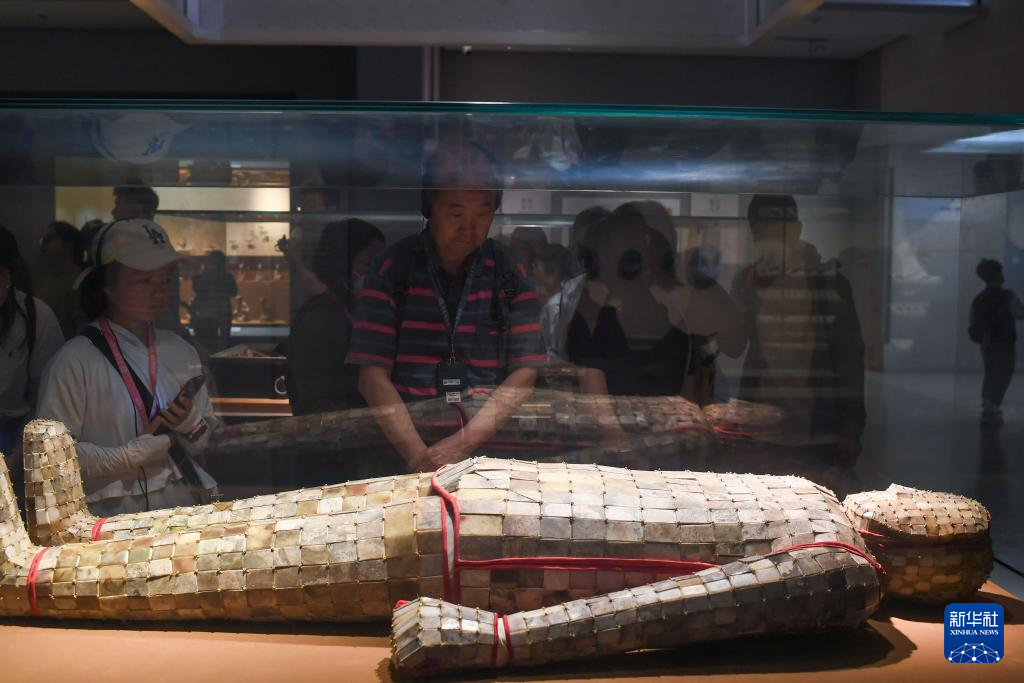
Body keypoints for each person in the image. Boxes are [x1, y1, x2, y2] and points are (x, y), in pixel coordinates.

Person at [346, 142, 546, 472]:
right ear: (429, 207)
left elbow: (525, 372)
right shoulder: (394, 267)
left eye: (482, 213)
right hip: (402, 452)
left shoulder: (509, 270)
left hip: (487, 452)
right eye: (456, 213)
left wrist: (461, 445)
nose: (469, 227)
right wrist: (419, 458)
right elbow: (371, 376)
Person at [37, 218, 218, 516]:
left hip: (180, 508)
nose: (158, 292)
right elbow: (49, 456)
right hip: (107, 515)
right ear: (107, 284)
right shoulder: (74, 360)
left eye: (166, 280)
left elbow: (204, 439)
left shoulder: (181, 351)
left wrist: (190, 423)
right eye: (144, 281)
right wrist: (124, 457)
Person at [730, 194, 866, 467]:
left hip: (817, 425)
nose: (766, 238)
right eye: (759, 230)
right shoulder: (748, 281)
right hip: (763, 424)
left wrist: (850, 427)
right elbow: (733, 346)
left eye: (774, 228)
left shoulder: (829, 282)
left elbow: (849, 357)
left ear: (796, 229)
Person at [287, 219, 384, 416]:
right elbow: (315, 399)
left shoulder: (351, 310)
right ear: (341, 266)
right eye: (368, 264)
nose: (377, 275)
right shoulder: (321, 319)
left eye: (379, 266)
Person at [0, 225, 64, 487]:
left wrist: (17, 457)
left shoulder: (35, 317)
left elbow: (44, 398)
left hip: (14, 432)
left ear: (9, 276)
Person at [968, 258, 1024, 425]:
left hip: (987, 343)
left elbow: (973, 321)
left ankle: (988, 406)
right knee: (1003, 374)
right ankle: (992, 406)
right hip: (1005, 341)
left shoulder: (980, 298)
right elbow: (1020, 313)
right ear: (997, 275)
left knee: (991, 373)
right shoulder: (1007, 295)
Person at [33, 220, 85, 338]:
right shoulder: (46, 275)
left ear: (69, 245)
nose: (44, 241)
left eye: (50, 237)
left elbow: (81, 324)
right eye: (44, 237)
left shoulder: (78, 279)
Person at [188, 250, 237, 352]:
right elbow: (233, 292)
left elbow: (197, 290)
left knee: (209, 346)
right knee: (218, 345)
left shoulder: (202, 278)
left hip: (209, 314)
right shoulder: (227, 277)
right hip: (217, 313)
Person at [533, 243, 575, 357]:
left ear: (552, 269)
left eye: (536, 265)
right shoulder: (561, 298)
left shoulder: (555, 304)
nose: (533, 270)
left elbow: (555, 349)